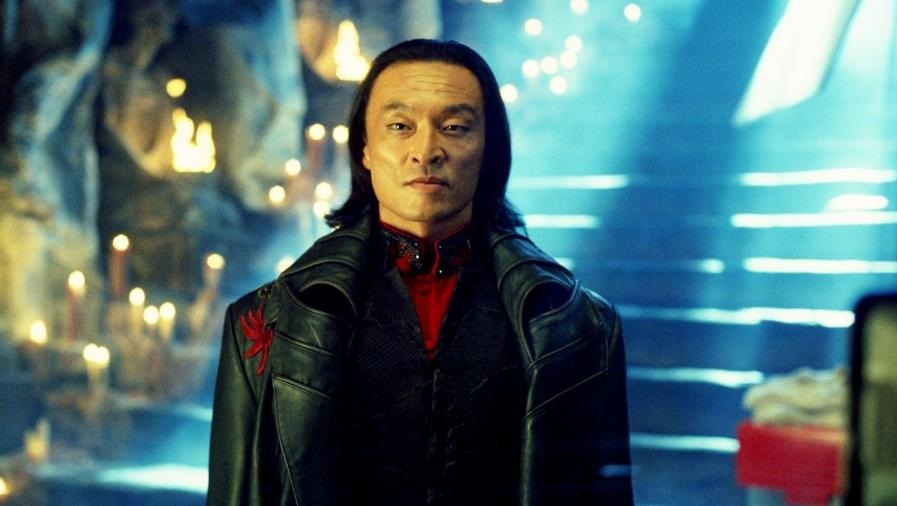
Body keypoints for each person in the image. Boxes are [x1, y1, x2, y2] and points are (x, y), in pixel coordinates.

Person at [207, 38, 633, 505]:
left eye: (454, 127)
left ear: (489, 148)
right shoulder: (266, 322)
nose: (426, 150)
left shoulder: (579, 325)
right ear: (365, 149)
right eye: (399, 126)